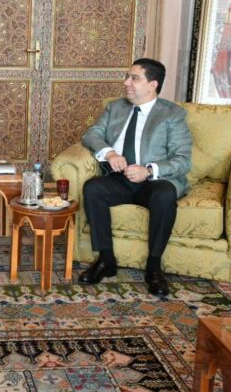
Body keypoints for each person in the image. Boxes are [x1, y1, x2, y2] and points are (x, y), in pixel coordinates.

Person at [78, 58, 192, 296]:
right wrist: (109, 153)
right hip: (119, 178)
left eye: (134, 78)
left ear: (152, 84)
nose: (126, 83)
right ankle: (106, 260)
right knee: (93, 188)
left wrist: (148, 170)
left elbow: (183, 160)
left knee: (165, 194)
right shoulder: (115, 107)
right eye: (127, 77)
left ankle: (154, 267)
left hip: (153, 182)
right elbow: (91, 135)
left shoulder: (172, 114)